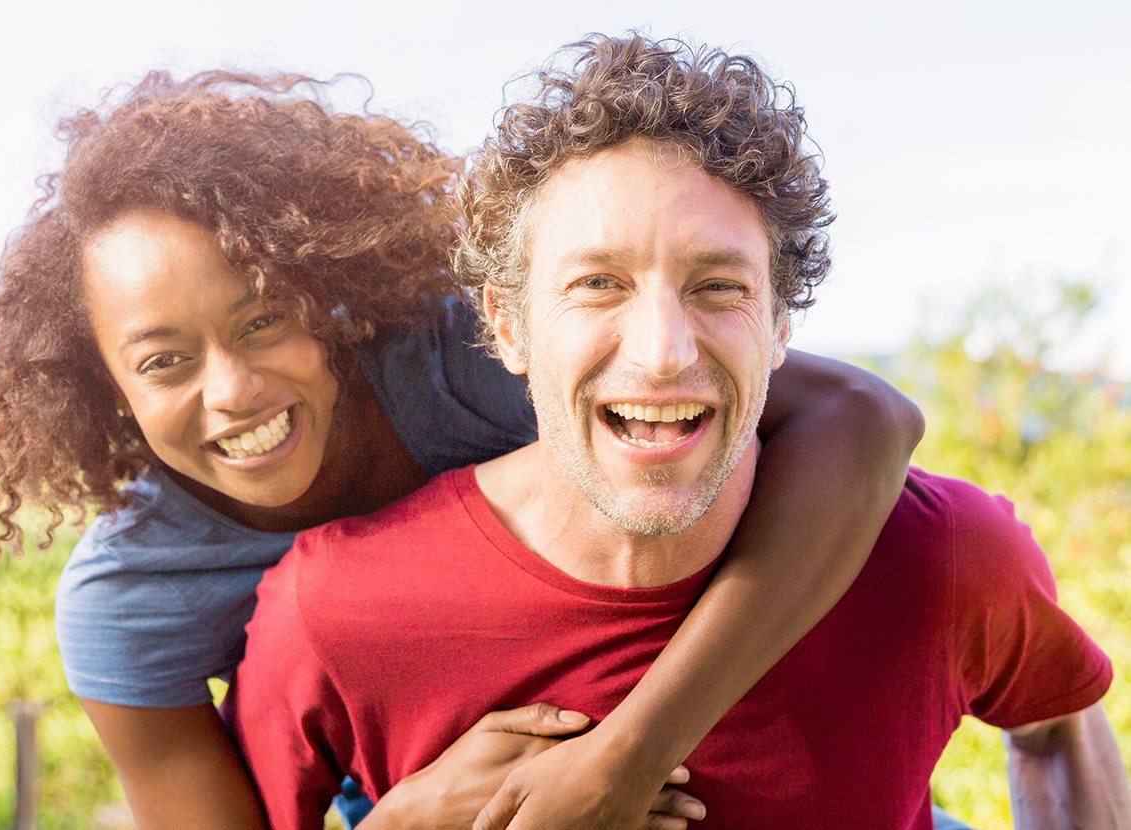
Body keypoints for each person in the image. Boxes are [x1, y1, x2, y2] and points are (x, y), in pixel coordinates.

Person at [0, 69, 926, 829]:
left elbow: (866, 418)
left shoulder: (461, 357)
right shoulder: (129, 598)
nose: (233, 390)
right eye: (162, 360)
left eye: (261, 322)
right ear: (100, 383)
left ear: (323, 291)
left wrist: (618, 764)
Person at [228, 34, 1131, 829]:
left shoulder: (944, 557)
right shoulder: (335, 612)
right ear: (506, 326)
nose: (662, 352)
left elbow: (1059, 731)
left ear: (780, 326)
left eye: (718, 286)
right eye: (598, 283)